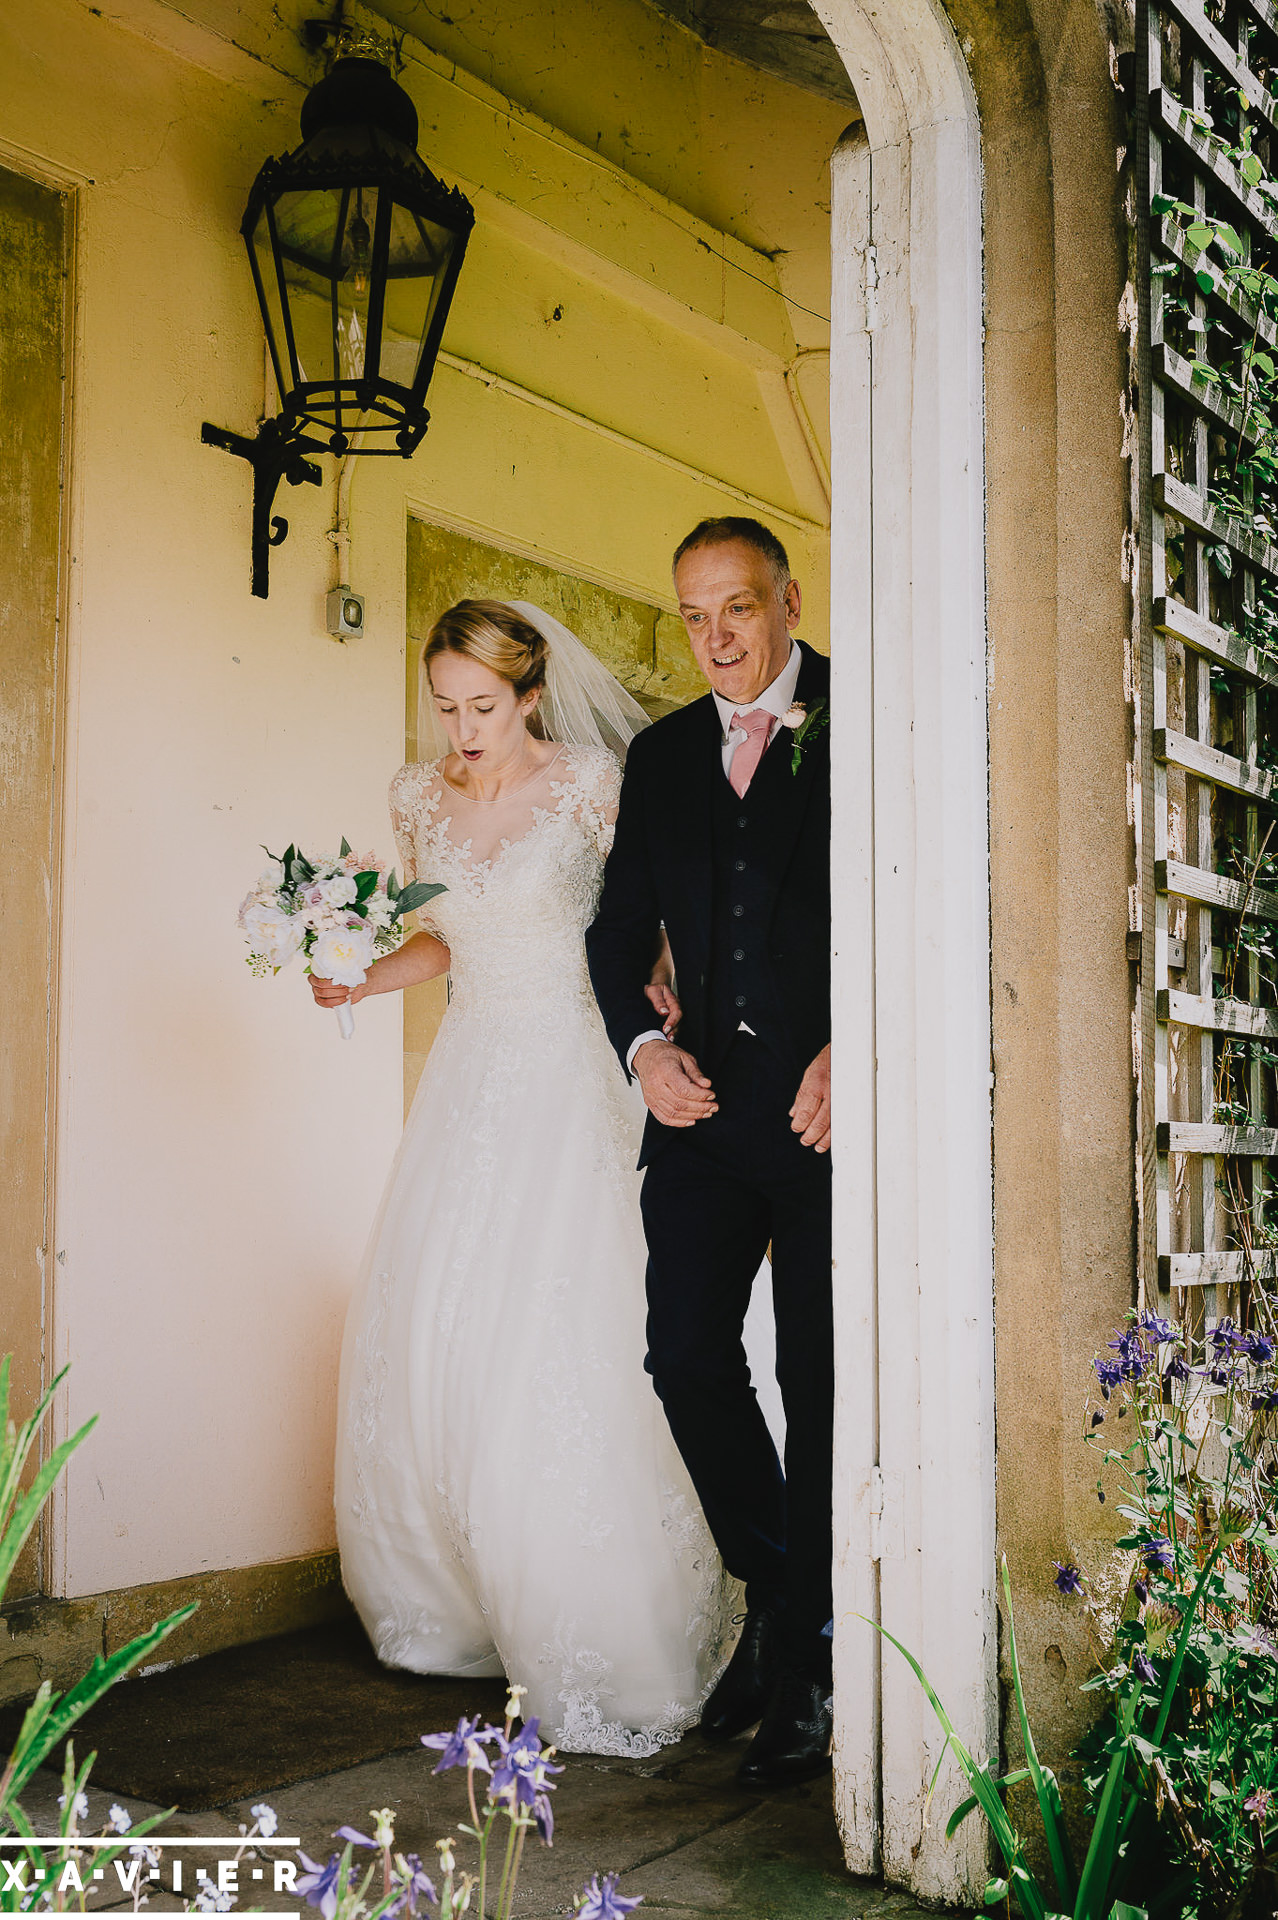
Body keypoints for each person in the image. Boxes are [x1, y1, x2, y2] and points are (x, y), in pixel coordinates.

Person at [316, 599, 732, 1756]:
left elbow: (641, 924)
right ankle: (453, 1603)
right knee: (446, 1315)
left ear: (530, 694)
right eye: (446, 706)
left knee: (567, 1319)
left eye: (483, 707)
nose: (461, 729)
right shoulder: (416, 797)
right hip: (470, 1071)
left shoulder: (597, 784)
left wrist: (666, 993)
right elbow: (447, 937)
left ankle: (601, 1611)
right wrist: (357, 975)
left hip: (576, 1070)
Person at [585, 518, 833, 1788]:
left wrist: (867, 1051)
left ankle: (806, 1664)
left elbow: (932, 896)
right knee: (682, 1353)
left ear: (788, 601)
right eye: (694, 616)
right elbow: (619, 925)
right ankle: (790, 1600)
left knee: (819, 1372)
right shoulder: (665, 752)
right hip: (698, 1114)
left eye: (737, 609)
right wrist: (643, 1048)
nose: (717, 638)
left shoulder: (861, 716)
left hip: (827, 1115)